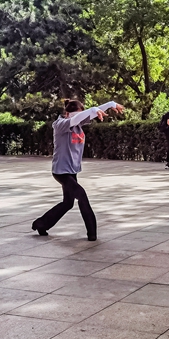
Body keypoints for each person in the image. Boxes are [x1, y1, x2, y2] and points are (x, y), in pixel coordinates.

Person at [32, 98, 125, 240]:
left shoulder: (78, 123)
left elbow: (87, 115)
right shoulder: (60, 124)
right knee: (82, 195)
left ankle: (41, 224)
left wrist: (111, 104)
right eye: (77, 115)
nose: (79, 118)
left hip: (72, 171)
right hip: (61, 171)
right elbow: (78, 118)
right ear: (67, 114)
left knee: (68, 203)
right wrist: (93, 109)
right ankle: (92, 234)